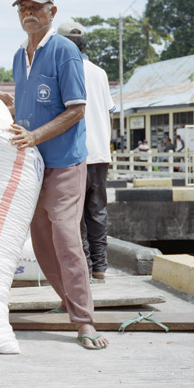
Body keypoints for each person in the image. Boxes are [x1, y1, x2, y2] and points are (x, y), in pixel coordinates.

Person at [9, 0, 108, 350]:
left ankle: (84, 321)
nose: (28, 13)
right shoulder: (20, 56)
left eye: (35, 7)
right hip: (33, 165)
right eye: (21, 8)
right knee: (42, 244)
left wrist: (35, 136)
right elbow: (25, 108)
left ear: (52, 11)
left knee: (67, 238)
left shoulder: (64, 50)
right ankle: (70, 303)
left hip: (65, 162)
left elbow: (76, 109)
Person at [57, 20, 115, 281]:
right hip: (100, 153)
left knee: (75, 215)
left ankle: (83, 268)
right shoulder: (100, 73)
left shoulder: (62, 69)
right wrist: (106, 144)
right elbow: (109, 115)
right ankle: (100, 268)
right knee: (98, 211)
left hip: (75, 153)